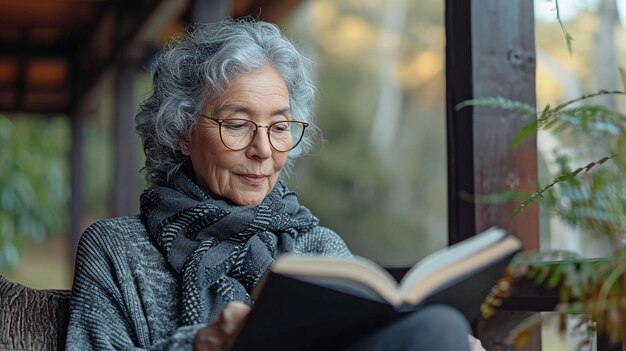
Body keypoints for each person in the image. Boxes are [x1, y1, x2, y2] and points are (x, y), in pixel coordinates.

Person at [66, 19, 481, 350]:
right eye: (238, 124)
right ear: (182, 132)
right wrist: (202, 343)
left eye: (279, 126)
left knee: (440, 328)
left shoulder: (318, 247)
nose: (263, 149)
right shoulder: (116, 249)